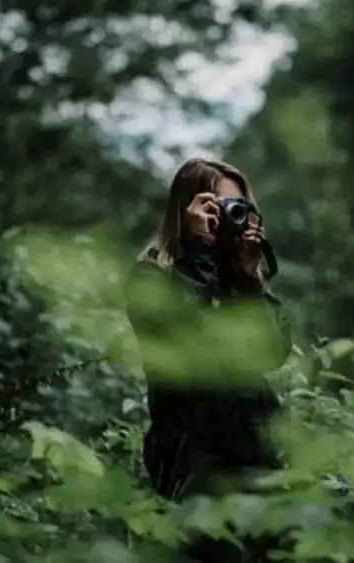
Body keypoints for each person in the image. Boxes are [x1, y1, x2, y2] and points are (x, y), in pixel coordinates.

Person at [125, 157, 291, 562]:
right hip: (194, 464)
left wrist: (251, 279)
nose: (233, 216)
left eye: (241, 207)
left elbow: (273, 354)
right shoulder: (153, 277)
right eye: (219, 206)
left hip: (259, 460)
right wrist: (197, 252)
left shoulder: (239, 279)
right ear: (190, 210)